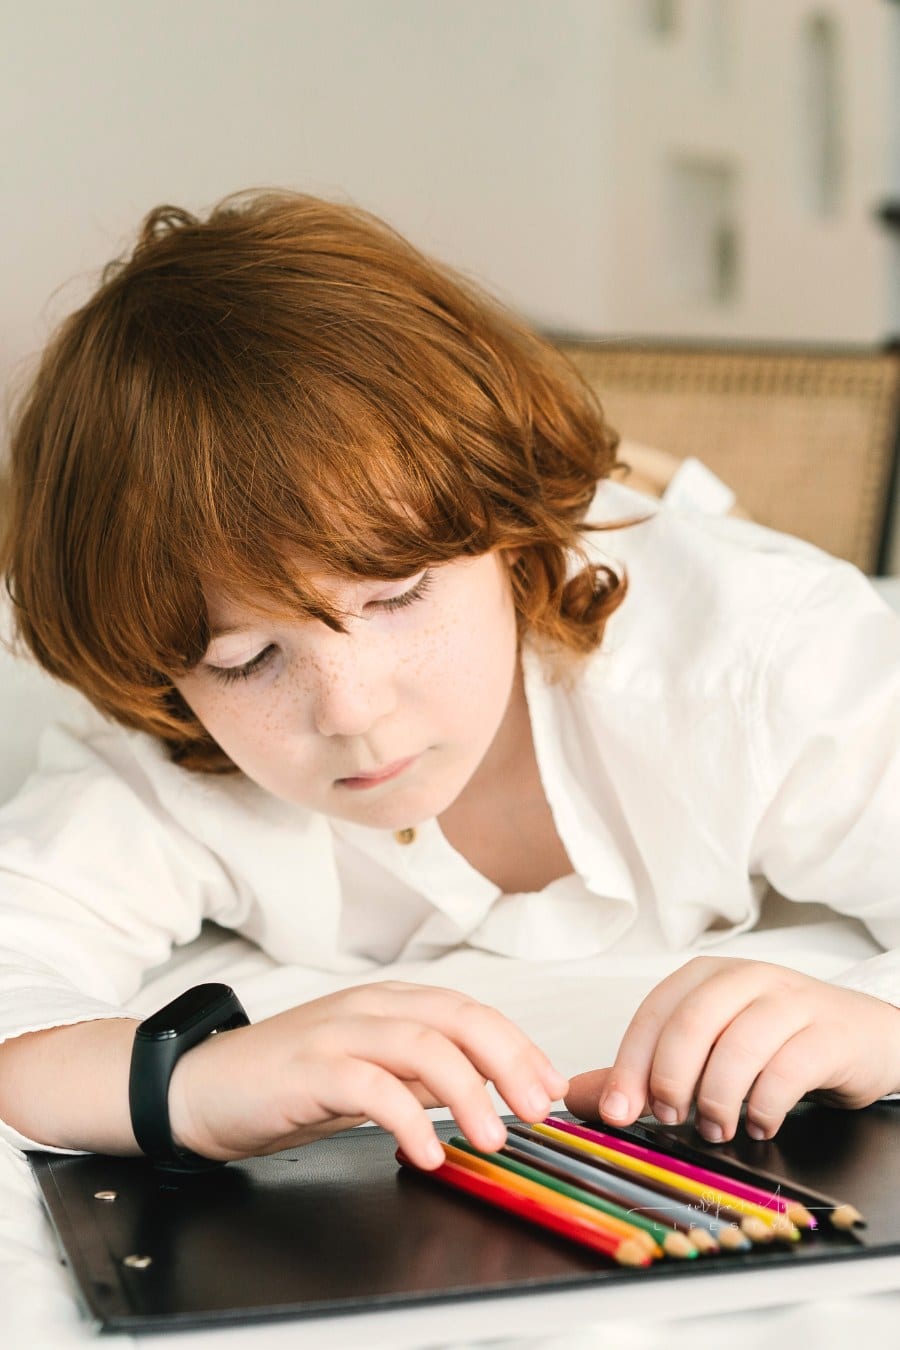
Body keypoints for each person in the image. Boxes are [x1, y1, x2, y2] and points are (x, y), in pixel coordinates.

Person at [0, 191, 898, 1174]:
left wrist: (880, 1029)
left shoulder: (756, 657)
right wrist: (189, 1090)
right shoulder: (168, 745)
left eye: (396, 598)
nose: (350, 711)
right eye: (247, 659)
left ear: (513, 541)